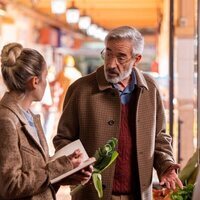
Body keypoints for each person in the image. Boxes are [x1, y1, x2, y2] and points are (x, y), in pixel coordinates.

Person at [53, 26, 183, 200]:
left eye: (121, 57)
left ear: (136, 59)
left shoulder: (149, 89)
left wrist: (166, 166)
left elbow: (159, 137)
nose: (111, 63)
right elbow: (63, 139)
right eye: (108, 53)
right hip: (92, 194)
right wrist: (77, 167)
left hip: (139, 193)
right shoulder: (80, 90)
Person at [0, 43, 92, 200]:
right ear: (35, 81)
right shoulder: (6, 121)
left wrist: (64, 176)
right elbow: (11, 186)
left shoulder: (30, 116)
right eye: (45, 78)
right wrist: (61, 166)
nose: (47, 83)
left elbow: (36, 170)